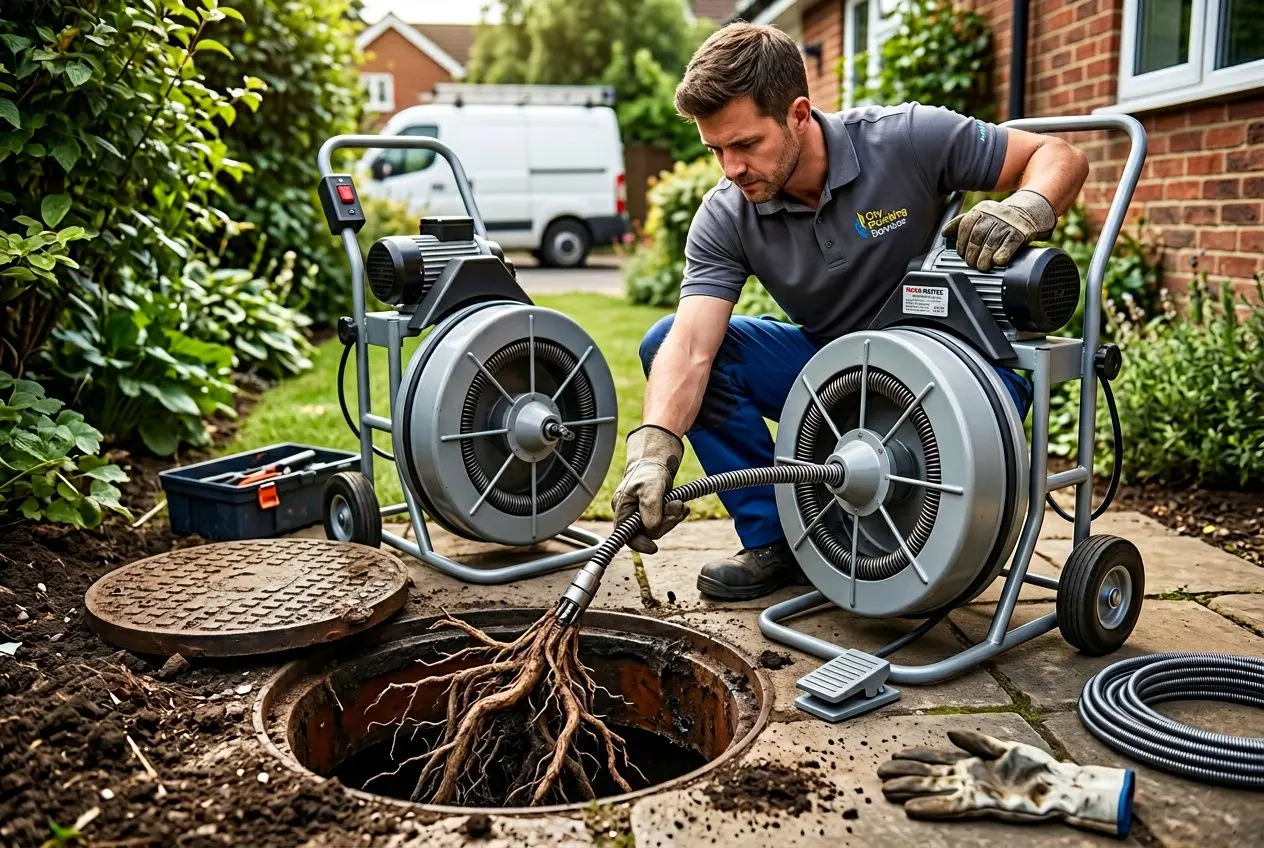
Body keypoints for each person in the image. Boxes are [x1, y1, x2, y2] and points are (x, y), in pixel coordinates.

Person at [610, 22, 1089, 601]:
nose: (730, 169)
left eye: (745, 145)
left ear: (798, 113)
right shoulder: (727, 214)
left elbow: (1056, 154)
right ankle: (778, 541)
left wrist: (1027, 207)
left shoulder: (905, 138)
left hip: (963, 369)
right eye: (716, 150)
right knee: (664, 339)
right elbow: (690, 347)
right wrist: (654, 448)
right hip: (839, 372)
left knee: (912, 567)